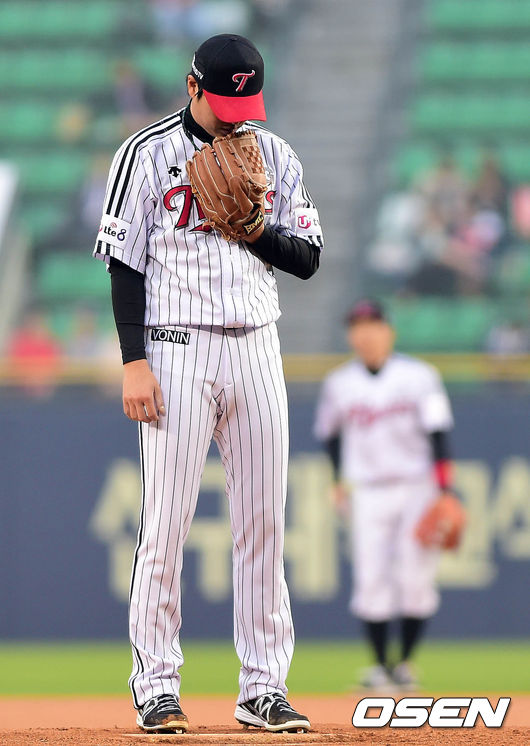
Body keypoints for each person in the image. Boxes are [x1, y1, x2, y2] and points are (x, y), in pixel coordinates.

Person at [94, 34, 323, 733]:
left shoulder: (274, 153)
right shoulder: (145, 153)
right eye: (225, 101)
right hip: (175, 346)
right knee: (166, 525)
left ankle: (264, 687)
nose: (236, 116)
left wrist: (254, 231)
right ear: (193, 86)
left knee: (264, 524)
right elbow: (125, 263)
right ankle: (156, 685)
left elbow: (307, 257)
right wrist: (133, 360)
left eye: (245, 103)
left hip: (256, 344)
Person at [313, 300, 454, 691]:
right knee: (370, 579)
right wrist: (337, 480)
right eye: (357, 326)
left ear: (389, 331)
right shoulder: (339, 383)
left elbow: (439, 434)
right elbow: (331, 436)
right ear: (350, 335)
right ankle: (379, 666)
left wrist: (445, 491)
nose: (366, 333)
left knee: (415, 578)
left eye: (373, 325)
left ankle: (404, 664)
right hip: (368, 491)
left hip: (417, 488)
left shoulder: (421, 376)